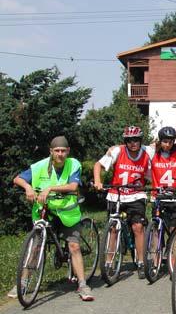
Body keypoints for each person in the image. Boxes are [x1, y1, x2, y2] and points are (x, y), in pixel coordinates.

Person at [9, 136, 94, 301]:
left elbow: (73, 186)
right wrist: (28, 187)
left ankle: (83, 285)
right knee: (34, 246)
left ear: (68, 151)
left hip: (67, 212)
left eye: (63, 151)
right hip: (45, 211)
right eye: (57, 151)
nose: (60, 154)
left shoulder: (73, 164)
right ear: (51, 152)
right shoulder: (39, 166)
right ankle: (23, 282)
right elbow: (17, 178)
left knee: (74, 246)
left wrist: (49, 188)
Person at [93, 126, 150, 279]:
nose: (133, 143)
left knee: (137, 227)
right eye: (130, 140)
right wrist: (98, 181)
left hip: (136, 195)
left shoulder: (146, 151)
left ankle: (141, 262)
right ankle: (109, 262)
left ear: (141, 140)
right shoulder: (118, 151)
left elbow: (168, 146)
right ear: (125, 141)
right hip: (116, 194)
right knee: (113, 229)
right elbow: (98, 165)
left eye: (136, 140)